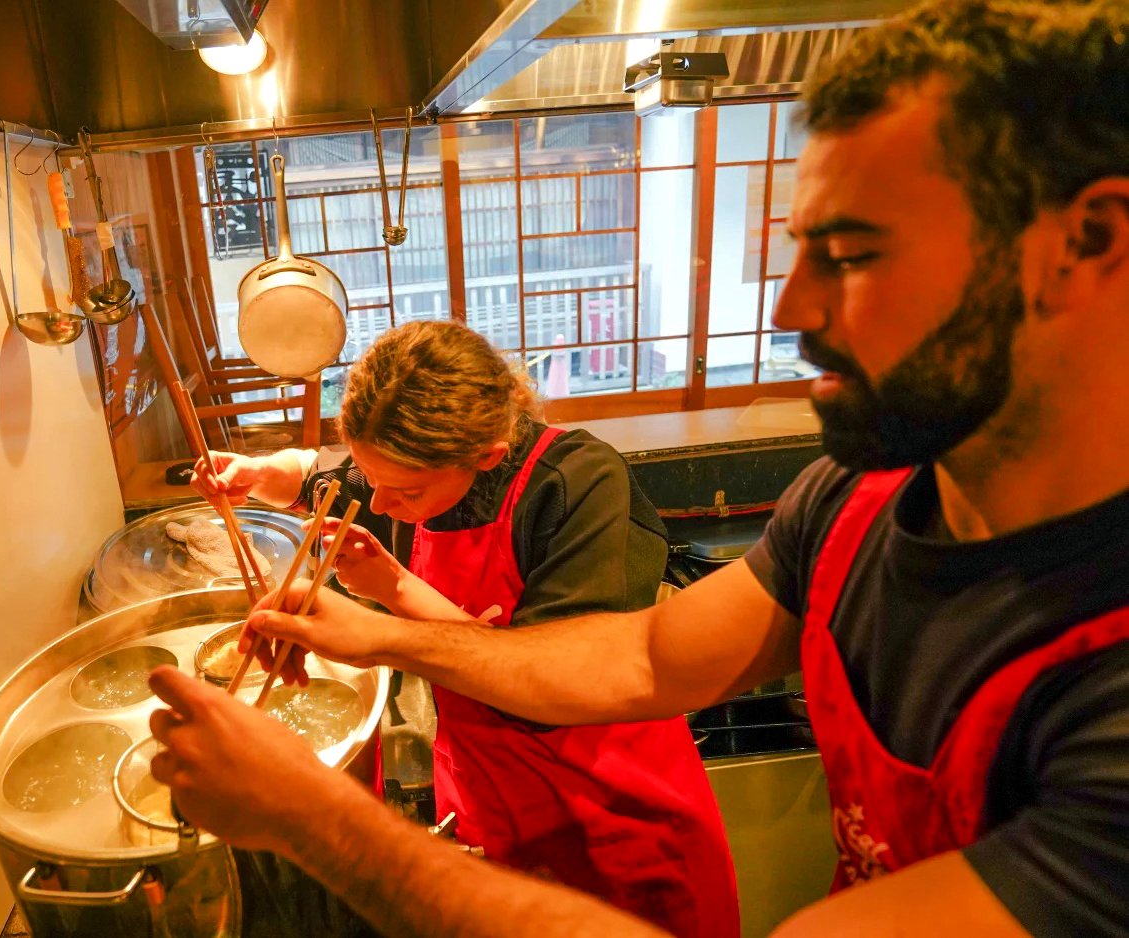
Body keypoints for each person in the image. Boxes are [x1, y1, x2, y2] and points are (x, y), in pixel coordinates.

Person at [150, 1, 1129, 934]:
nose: (789, 309)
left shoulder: (1101, 679)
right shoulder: (857, 502)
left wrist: (314, 816)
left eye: (853, 254)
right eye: (799, 249)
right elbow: (646, 658)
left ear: (1084, 242)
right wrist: (376, 634)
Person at [191, 320, 739, 937]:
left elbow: (560, 681)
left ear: (487, 457)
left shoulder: (577, 484)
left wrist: (394, 594)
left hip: (611, 817)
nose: (376, 503)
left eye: (404, 491)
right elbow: (332, 478)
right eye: (371, 475)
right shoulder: (404, 475)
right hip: (491, 800)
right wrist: (260, 474)